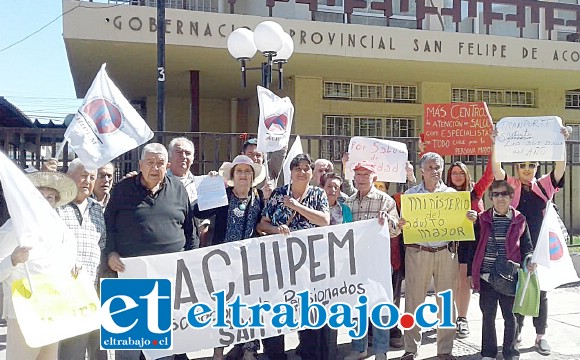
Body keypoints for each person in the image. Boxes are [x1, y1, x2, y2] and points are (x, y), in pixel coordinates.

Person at [104, 143, 196, 360]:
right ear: (140, 165)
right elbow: (107, 225)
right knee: (128, 348)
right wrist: (110, 253)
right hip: (129, 276)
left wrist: (191, 261)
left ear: (168, 165)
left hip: (168, 277)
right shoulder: (122, 189)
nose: (155, 168)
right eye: (150, 163)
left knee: (163, 349)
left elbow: (189, 229)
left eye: (160, 163)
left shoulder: (179, 189)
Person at [491, 126, 570, 355]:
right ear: (517, 167)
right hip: (517, 246)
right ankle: (516, 335)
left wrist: (560, 142)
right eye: (523, 165)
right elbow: (497, 168)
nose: (527, 169)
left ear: (536, 167)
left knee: (542, 291)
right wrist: (495, 142)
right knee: (518, 291)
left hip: (541, 245)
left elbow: (560, 167)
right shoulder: (510, 186)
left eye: (531, 165)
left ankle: (540, 336)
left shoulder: (544, 185)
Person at [398, 152, 478, 360]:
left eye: (438, 167)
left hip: (445, 252)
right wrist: (402, 223)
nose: (435, 171)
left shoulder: (453, 195)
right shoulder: (411, 196)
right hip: (418, 252)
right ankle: (410, 349)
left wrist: (470, 218)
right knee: (413, 302)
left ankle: (445, 350)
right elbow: (401, 224)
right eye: (431, 167)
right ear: (422, 170)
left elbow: (463, 225)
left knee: (446, 301)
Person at [193, 155, 266, 360]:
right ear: (233, 175)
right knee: (222, 308)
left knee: (250, 307)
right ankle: (218, 352)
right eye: (239, 171)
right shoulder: (223, 194)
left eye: (247, 171)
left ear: (252, 176)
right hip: (222, 262)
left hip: (250, 264)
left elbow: (262, 224)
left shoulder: (259, 196)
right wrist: (209, 187)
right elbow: (198, 212)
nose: (243, 175)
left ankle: (249, 350)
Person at [258, 153, 330, 360]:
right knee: (277, 308)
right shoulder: (279, 194)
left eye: (307, 168)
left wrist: (296, 206)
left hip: (309, 265)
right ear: (291, 172)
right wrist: (275, 229)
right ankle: (276, 354)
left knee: (308, 311)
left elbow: (324, 221)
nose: (302, 171)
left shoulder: (318, 194)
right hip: (279, 264)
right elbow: (261, 224)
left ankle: (307, 352)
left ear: (311, 173)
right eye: (297, 168)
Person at [0, 172, 76, 360]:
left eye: (49, 197)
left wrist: (74, 267)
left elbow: (66, 262)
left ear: (55, 201)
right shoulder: (14, 227)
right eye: (39, 195)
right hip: (24, 310)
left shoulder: (61, 228)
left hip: (54, 307)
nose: (44, 201)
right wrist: (13, 260)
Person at [467, 180, 535, 360]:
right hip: (486, 276)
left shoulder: (520, 219)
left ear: (511, 196)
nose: (500, 198)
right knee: (488, 317)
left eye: (504, 194)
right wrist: (469, 273)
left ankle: (510, 352)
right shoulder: (482, 219)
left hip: (509, 277)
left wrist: (529, 260)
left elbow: (527, 246)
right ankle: (488, 353)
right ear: (490, 198)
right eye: (495, 194)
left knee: (510, 317)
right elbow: (472, 247)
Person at [344, 160, 400, 360]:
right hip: (355, 263)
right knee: (356, 306)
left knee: (380, 306)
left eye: (365, 175)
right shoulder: (348, 202)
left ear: (374, 178)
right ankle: (359, 348)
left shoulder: (385, 201)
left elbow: (396, 230)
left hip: (378, 262)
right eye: (358, 174)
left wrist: (387, 221)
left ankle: (381, 350)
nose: (360, 179)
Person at [58, 159, 107, 360]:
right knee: (71, 352)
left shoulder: (97, 209)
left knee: (99, 350)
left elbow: (102, 245)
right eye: (84, 175)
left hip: (94, 291)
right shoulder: (56, 207)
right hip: (65, 292)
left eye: (92, 177)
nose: (88, 181)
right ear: (69, 177)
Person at [446, 159, 494, 338]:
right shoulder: (442, 193)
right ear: (449, 176)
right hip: (447, 241)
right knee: (446, 282)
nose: (458, 176)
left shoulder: (475, 192)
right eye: (454, 173)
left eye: (461, 173)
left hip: (470, 241)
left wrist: (494, 146)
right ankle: (445, 318)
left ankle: (462, 318)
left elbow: (490, 174)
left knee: (464, 280)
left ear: (467, 175)